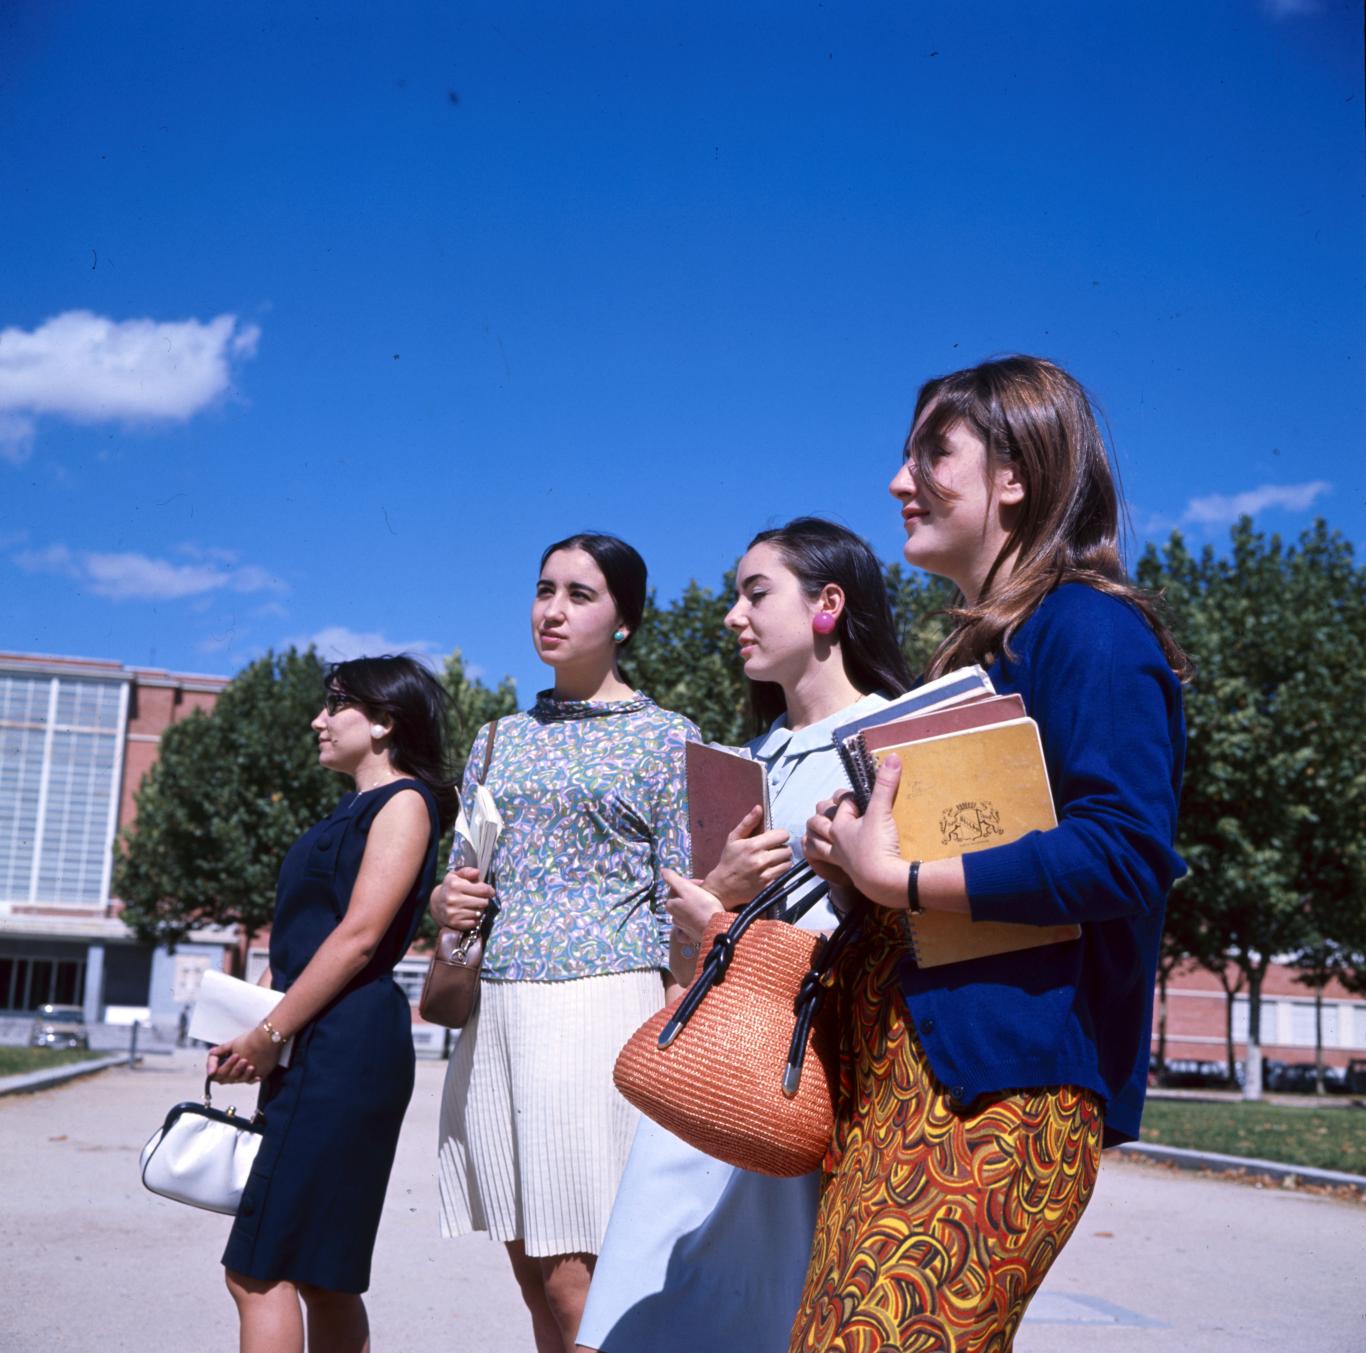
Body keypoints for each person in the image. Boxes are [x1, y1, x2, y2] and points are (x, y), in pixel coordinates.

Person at [791, 356, 1190, 1352]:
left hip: (1001, 1093)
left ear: (1014, 475)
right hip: (913, 1076)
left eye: (934, 452)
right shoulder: (976, 660)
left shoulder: (1091, 631)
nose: (899, 481)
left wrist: (900, 876)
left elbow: (1123, 853)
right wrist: (855, 858)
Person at [577, 517, 913, 1353]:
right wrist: (716, 897)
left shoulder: (894, 740)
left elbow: (918, 924)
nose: (733, 615)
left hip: (802, 1073)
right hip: (716, 1067)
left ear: (828, 604)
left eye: (755, 593)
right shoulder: (745, 755)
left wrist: (855, 878)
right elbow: (692, 946)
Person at [434, 532, 698, 1353]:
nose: (552, 609)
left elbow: (685, 898)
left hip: (601, 1005)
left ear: (625, 619)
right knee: (526, 1266)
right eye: (544, 589)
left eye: (580, 594)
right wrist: (448, 897)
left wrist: (674, 1024)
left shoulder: (668, 736)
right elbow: (464, 871)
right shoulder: (496, 739)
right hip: (499, 1010)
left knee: (575, 1275)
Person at [209, 655, 455, 1353]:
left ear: (383, 721)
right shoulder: (353, 808)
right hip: (326, 1042)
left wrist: (268, 1031)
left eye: (336, 704)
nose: (319, 718)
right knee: (323, 1273)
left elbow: (357, 937)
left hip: (340, 1045)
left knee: (258, 1267)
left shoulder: (401, 802)